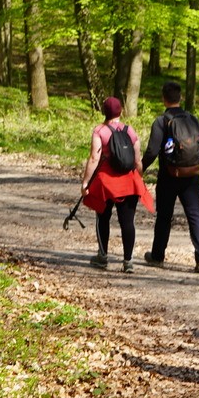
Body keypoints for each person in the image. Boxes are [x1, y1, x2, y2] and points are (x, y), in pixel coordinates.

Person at [141, 80, 199, 273]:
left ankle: (157, 256)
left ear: (164, 99)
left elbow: (152, 151)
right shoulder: (193, 119)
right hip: (192, 174)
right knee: (194, 215)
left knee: (164, 216)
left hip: (168, 175)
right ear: (179, 98)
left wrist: (141, 168)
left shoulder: (161, 121)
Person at [79, 97, 150, 273]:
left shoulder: (100, 131)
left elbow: (94, 158)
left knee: (102, 218)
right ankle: (128, 261)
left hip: (106, 183)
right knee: (127, 222)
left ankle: (102, 257)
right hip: (129, 182)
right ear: (120, 112)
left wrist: (86, 182)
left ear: (104, 112)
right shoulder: (130, 130)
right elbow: (137, 160)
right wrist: (138, 178)